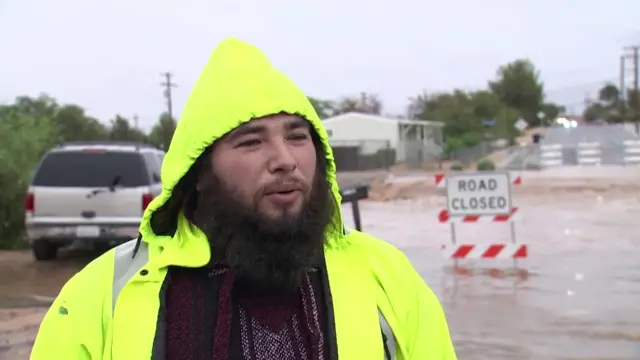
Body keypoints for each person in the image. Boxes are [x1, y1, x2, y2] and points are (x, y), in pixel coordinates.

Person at [31, 37, 457, 360]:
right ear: (199, 173)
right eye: (251, 142)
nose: (285, 160)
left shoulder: (387, 276)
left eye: (297, 136)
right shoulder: (104, 293)